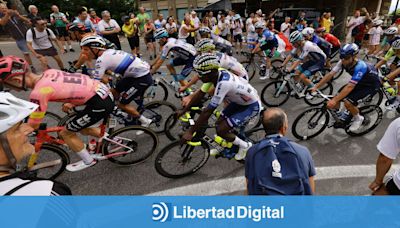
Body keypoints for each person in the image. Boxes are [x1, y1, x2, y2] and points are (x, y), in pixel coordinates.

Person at [0, 55, 115, 172]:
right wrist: (72, 103)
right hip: (101, 93)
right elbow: (74, 84)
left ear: (17, 80)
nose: (10, 88)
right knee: (80, 127)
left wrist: (14, 132)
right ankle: (113, 140)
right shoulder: (49, 72)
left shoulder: (39, 92)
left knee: (66, 133)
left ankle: (89, 161)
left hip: (99, 103)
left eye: (7, 85)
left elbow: (32, 125)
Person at [179, 53, 261, 160]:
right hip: (239, 102)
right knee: (218, 123)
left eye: (201, 73)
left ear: (210, 73)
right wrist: (184, 110)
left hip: (251, 106)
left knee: (221, 130)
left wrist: (190, 131)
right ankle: (229, 144)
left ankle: (245, 146)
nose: (198, 76)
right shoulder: (215, 75)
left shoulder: (224, 83)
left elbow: (208, 111)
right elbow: (200, 94)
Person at [0, 92, 72, 195]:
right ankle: (89, 159)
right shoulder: (45, 193)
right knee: (67, 134)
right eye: (17, 128)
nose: (29, 129)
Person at [81, 36, 153, 131]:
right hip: (133, 75)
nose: (83, 52)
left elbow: (95, 81)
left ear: (95, 49)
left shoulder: (101, 59)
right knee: (113, 92)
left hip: (142, 78)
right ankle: (123, 111)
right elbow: (106, 71)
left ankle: (145, 121)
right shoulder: (108, 52)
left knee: (122, 104)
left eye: (86, 49)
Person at [245, 108, 316, 195]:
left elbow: (249, 184)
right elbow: (310, 187)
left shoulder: (252, 152)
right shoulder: (302, 151)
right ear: (283, 128)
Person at [311, 43, 380, 131]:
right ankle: (338, 117)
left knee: (348, 102)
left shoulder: (360, 67)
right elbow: (330, 75)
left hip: (371, 86)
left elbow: (350, 87)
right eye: (341, 57)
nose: (344, 60)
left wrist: (334, 100)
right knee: (337, 97)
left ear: (354, 57)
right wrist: (316, 87)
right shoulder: (342, 61)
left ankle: (358, 118)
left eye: (346, 58)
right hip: (360, 82)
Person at [281, 31, 326, 99]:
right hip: (312, 60)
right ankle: (299, 89)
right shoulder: (298, 45)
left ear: (299, 41)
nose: (293, 45)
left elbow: (299, 60)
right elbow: (290, 55)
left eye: (293, 43)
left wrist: (289, 70)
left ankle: (314, 91)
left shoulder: (307, 45)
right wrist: (282, 65)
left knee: (302, 76)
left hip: (319, 61)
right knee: (296, 73)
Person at [151, 28, 197, 95]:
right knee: (169, 64)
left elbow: (160, 62)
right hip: (186, 56)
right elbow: (160, 55)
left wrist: (152, 71)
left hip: (192, 58)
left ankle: (191, 94)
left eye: (159, 39)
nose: (158, 41)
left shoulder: (168, 45)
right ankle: (176, 82)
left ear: (164, 38)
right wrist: (151, 65)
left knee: (180, 78)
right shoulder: (170, 39)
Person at [0, 3, 36, 73]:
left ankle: (45, 63)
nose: (4, 9)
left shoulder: (14, 14)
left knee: (37, 50)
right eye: (2, 8)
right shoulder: (1, 16)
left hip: (27, 36)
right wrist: (8, 14)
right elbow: (2, 23)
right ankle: (32, 66)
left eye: (5, 7)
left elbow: (27, 21)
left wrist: (18, 15)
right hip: (18, 38)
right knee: (26, 53)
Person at [369, 117, 400, 195]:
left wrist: (378, 181)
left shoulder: (398, 123)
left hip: (397, 186)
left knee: (378, 201)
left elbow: (385, 158)